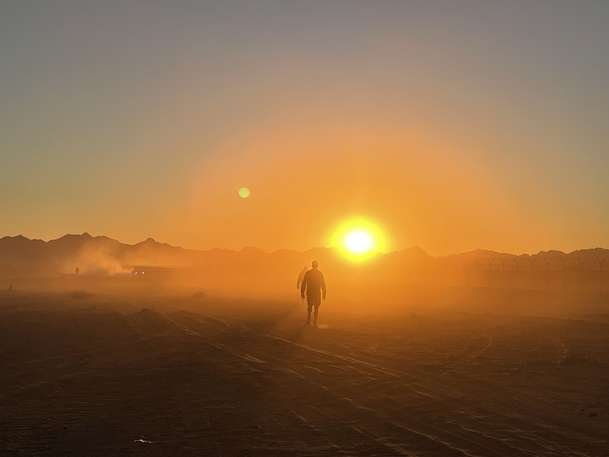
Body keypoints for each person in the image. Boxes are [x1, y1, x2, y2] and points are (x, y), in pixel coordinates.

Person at [300, 260, 326, 327]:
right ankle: (314, 322)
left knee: (310, 307)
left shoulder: (308, 273)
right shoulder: (319, 273)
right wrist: (324, 293)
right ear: (317, 265)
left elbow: (304, 283)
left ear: (312, 265)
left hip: (310, 292)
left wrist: (302, 292)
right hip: (316, 292)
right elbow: (323, 284)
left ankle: (309, 320)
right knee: (315, 307)